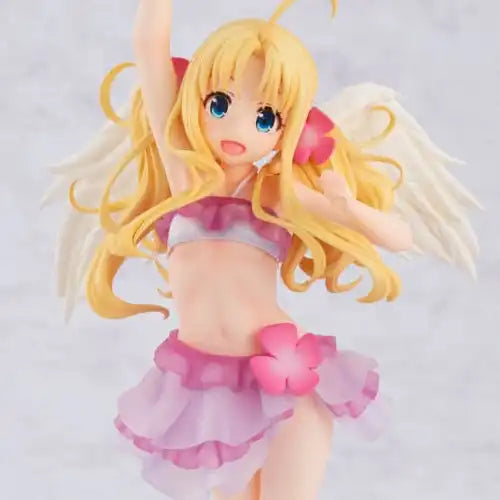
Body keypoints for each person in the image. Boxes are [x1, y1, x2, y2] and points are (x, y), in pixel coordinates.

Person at [44, 1, 480, 499]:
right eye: (220, 104)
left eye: (265, 116)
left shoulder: (271, 192)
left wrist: (348, 207)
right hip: (211, 388)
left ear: (288, 128)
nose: (238, 130)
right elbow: (149, 44)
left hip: (284, 376)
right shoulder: (183, 176)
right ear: (194, 101)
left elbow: (399, 236)